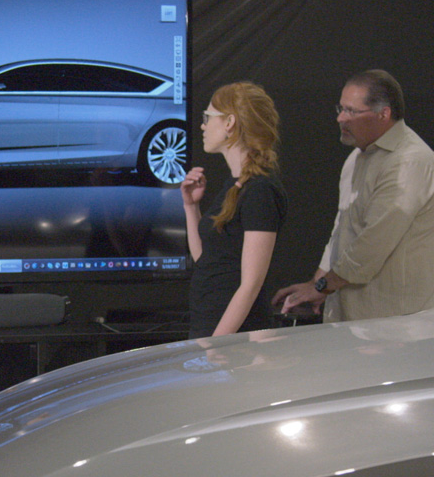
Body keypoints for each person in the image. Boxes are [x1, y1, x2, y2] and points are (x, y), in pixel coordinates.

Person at [273, 70, 434, 322]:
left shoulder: (410, 161)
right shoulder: (357, 158)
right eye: (340, 108)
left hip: (395, 323)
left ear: (384, 114)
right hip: (354, 318)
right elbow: (342, 231)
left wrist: (321, 287)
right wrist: (318, 283)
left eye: (351, 111)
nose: (340, 118)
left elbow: (372, 245)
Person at [181, 81, 287, 339]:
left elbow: (250, 285)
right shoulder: (236, 184)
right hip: (214, 328)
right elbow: (205, 260)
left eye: (208, 117)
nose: (203, 125)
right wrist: (190, 206)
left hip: (237, 338)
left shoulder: (260, 190)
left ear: (229, 123)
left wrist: (216, 344)